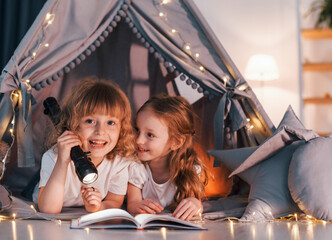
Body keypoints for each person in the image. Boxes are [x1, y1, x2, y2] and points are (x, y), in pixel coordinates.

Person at [34, 77, 136, 214]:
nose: (100, 131)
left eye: (110, 123)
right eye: (90, 121)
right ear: (73, 124)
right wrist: (62, 162)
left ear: (121, 129)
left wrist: (96, 207)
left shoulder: (119, 164)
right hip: (44, 193)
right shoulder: (53, 157)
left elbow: (114, 202)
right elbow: (48, 209)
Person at [127, 94, 208, 221]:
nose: (138, 140)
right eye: (137, 130)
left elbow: (195, 203)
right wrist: (137, 205)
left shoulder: (189, 168)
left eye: (150, 135)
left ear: (175, 142)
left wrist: (195, 204)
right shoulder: (136, 166)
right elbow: (132, 204)